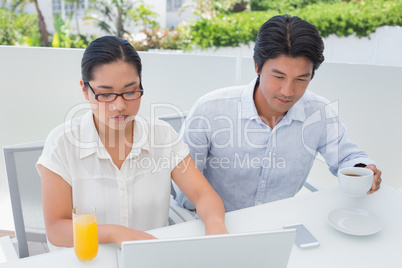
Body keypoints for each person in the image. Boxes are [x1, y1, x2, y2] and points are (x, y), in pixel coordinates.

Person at [175, 14, 382, 213]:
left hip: (282, 225)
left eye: (301, 79)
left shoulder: (319, 113)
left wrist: (364, 169)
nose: (288, 91)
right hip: (216, 223)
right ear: (257, 66)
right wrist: (210, 218)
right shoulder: (211, 110)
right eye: (278, 76)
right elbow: (182, 183)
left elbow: (349, 157)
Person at [37, 36, 227, 249]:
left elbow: (203, 195)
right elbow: (56, 229)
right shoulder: (62, 143)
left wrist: (215, 226)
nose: (119, 105)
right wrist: (115, 233)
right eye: (106, 94)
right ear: (85, 89)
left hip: (148, 258)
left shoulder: (161, 136)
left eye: (130, 91)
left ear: (141, 82)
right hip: (87, 260)